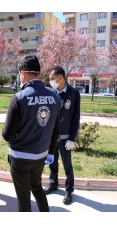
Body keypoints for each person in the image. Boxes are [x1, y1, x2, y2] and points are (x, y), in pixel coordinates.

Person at [2, 55, 61, 212]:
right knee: (37, 188)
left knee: (23, 199)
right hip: (41, 156)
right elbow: (56, 131)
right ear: (39, 73)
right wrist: (51, 152)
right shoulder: (55, 98)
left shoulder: (19, 98)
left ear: (22, 73)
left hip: (20, 157)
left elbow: (7, 135)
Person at [43, 66, 80, 205]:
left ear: (61, 78)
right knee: (52, 162)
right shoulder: (51, 93)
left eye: (52, 79)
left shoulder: (74, 93)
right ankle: (53, 183)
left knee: (67, 165)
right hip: (52, 137)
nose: (50, 81)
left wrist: (72, 138)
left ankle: (69, 190)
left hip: (65, 139)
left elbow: (76, 118)